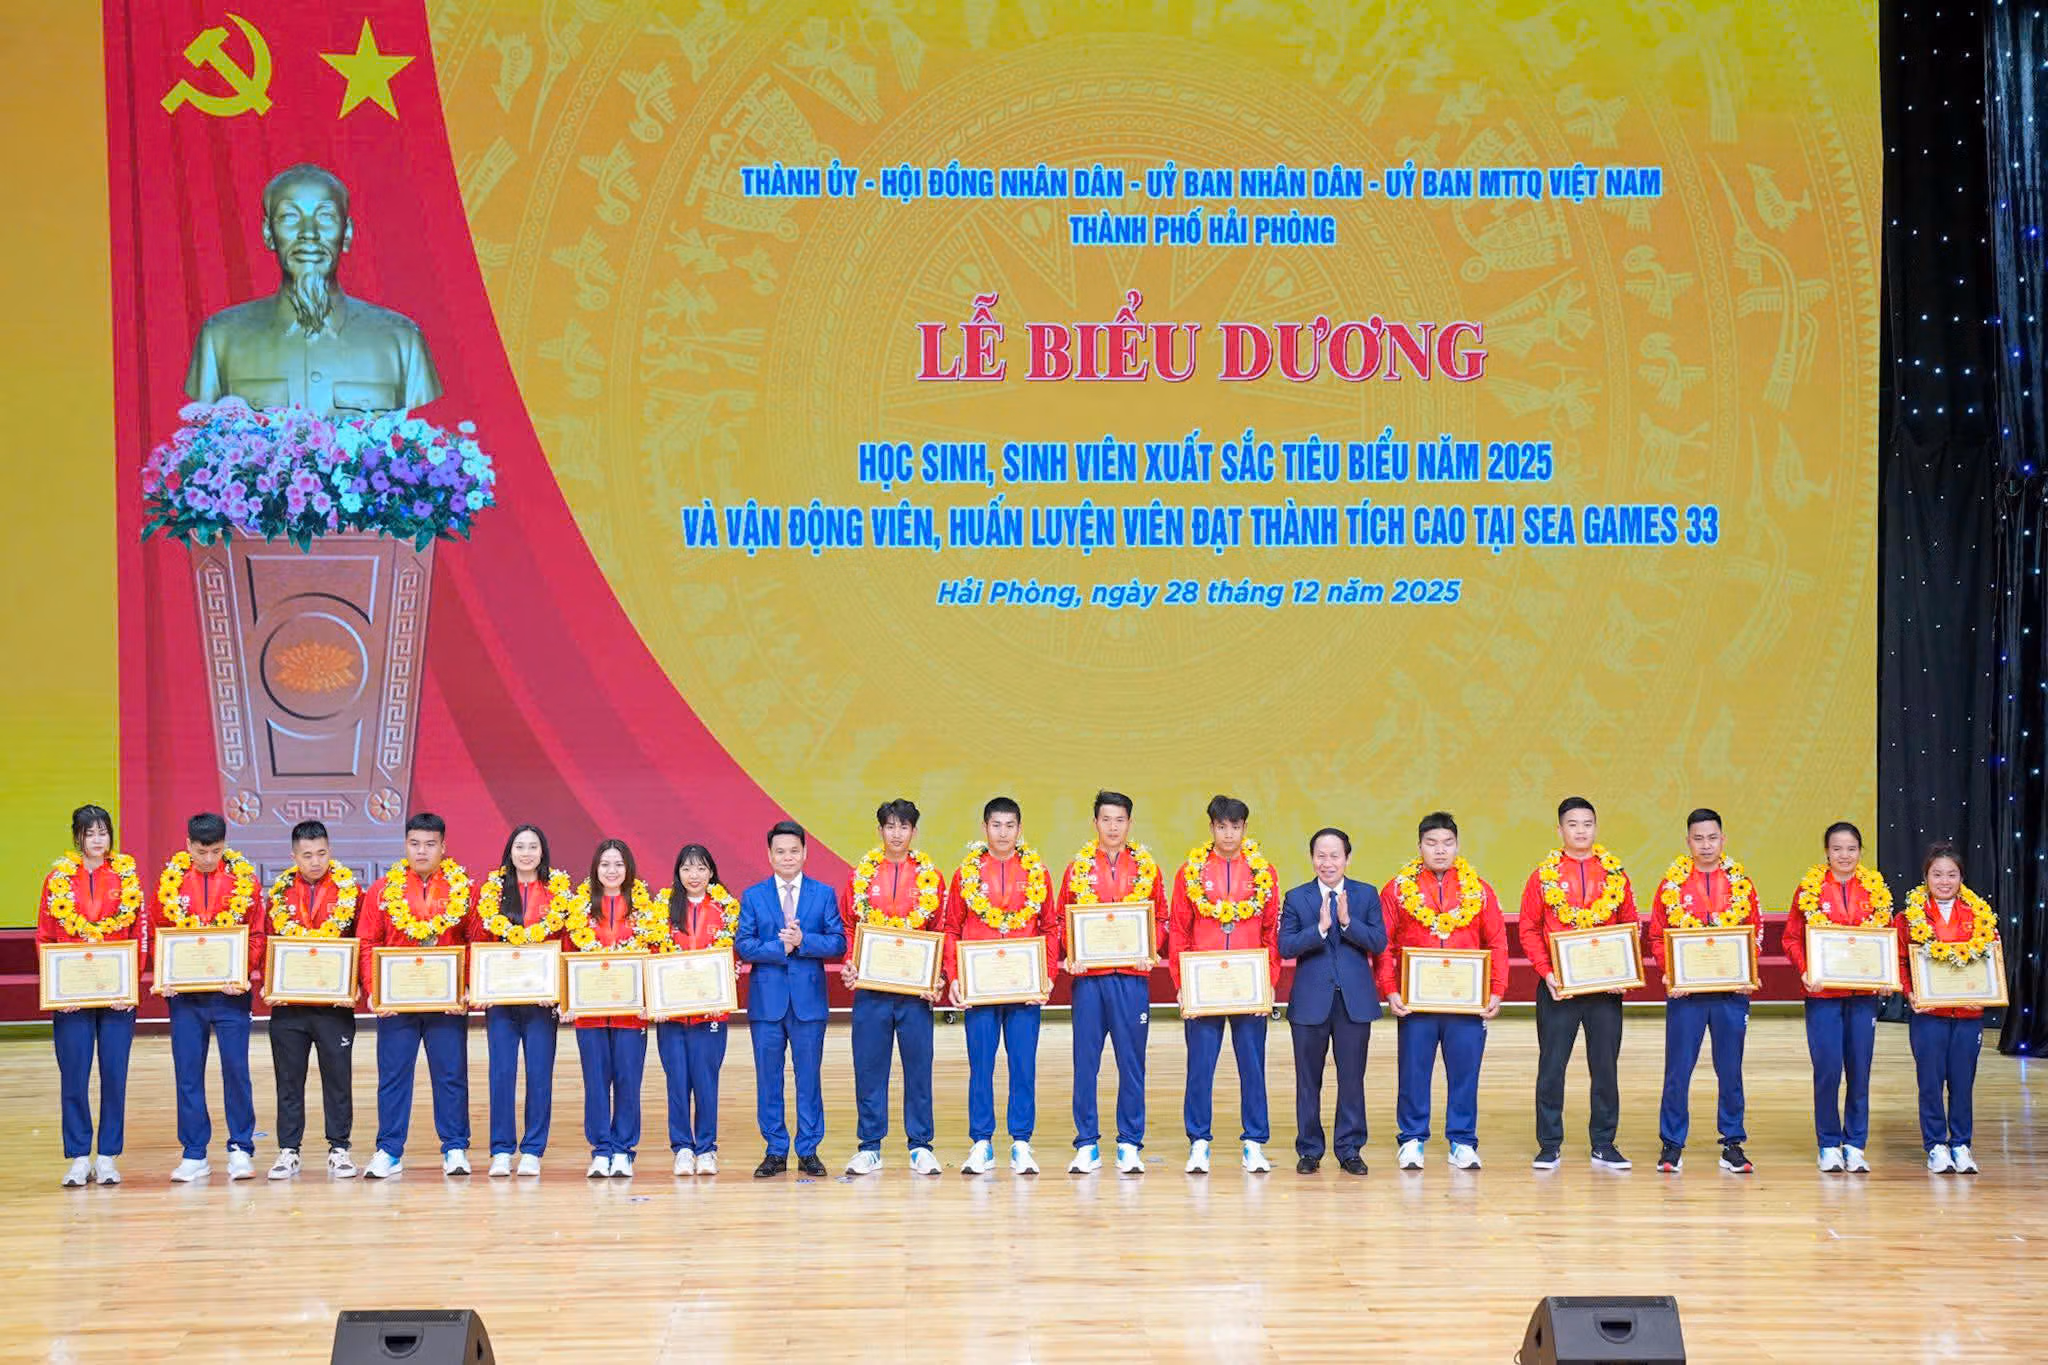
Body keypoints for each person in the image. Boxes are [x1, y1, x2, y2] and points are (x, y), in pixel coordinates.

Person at [1379, 812, 1508, 1171]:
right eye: (1432, 843)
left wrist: (1497, 988)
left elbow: (1497, 942)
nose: (1440, 850)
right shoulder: (1397, 890)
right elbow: (1383, 944)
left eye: (1447, 843)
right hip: (1416, 1002)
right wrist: (1389, 988)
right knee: (1413, 1071)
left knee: (1465, 1072)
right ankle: (1412, 1139)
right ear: (1419, 846)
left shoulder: (1479, 890)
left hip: (1465, 1004)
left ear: (1457, 846)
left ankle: (1462, 1141)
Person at [1519, 796, 1639, 1172]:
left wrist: (1623, 972)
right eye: (1573, 824)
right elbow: (1528, 929)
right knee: (1551, 1067)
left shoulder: (1615, 874)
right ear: (1560, 830)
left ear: (1596, 828)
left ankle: (1603, 1143)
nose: (1581, 831)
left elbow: (1630, 924)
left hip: (1604, 990)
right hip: (1559, 988)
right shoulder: (1543, 877)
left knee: (1605, 1068)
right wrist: (1547, 972)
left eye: (1587, 824)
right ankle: (1549, 1144)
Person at [943, 797, 1061, 1175]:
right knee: (981, 1065)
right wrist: (955, 976)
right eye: (996, 825)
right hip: (981, 988)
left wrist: (1047, 974)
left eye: (1010, 825)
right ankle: (981, 1142)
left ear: (1020, 829)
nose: (1003, 833)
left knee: (1023, 1064)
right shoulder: (966, 874)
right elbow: (951, 928)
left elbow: (1049, 927)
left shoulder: (1037, 873)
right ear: (984, 828)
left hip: (1024, 989)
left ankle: (1021, 1142)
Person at [1168, 794, 1283, 1174]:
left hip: (1249, 986)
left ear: (1245, 828)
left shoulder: (1264, 872)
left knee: (1253, 1066)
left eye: (1235, 826)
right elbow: (1180, 931)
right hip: (1204, 987)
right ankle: (1199, 1142)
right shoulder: (1190, 871)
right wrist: (1182, 982)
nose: (1229, 833)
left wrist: (1269, 981)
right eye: (1221, 826)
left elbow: (1271, 931)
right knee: (1200, 1067)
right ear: (1211, 828)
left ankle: (1254, 1142)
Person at [1054, 790, 1168, 1175]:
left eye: (1120, 820)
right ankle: (1086, 1143)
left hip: (1132, 979)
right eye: (1106, 819)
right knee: (1085, 1064)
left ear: (1130, 824)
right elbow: (1061, 919)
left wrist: (1151, 947)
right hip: (1090, 980)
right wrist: (1071, 951)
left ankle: (1129, 1143)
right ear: (1095, 823)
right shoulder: (1077, 868)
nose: (1113, 827)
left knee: (1132, 1064)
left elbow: (1162, 919)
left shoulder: (1147, 868)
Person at [152, 811, 267, 1182]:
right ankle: (194, 1153)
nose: (208, 859)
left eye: (216, 851)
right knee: (188, 1073)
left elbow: (257, 935)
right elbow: (159, 932)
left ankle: (241, 1148)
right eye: (201, 851)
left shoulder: (244, 881)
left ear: (224, 846)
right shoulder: (170, 882)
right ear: (188, 845)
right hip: (186, 999)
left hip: (230, 996)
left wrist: (242, 970)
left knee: (236, 1071)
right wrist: (165, 974)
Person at [357, 812, 473, 1179]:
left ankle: (455, 1147)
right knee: (393, 1076)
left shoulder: (462, 889)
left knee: (451, 1075)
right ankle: (389, 1150)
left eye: (430, 844)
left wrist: (467, 985)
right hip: (398, 1004)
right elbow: (367, 942)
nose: (421, 851)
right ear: (405, 845)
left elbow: (474, 941)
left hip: (446, 1004)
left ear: (443, 847)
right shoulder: (382, 890)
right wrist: (373, 988)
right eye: (414, 844)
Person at [1645, 809, 1760, 1175]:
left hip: (1731, 994)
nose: (1706, 845)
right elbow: (1657, 937)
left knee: (1731, 1070)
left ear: (1723, 839)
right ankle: (1672, 1142)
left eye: (1712, 838)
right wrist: (1670, 972)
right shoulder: (1672, 885)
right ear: (1688, 842)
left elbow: (1754, 932)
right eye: (1699, 838)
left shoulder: (1741, 883)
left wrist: (1747, 971)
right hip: (1687, 996)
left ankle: (1732, 1143)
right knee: (1678, 1070)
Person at [37, 804, 146, 1187]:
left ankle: (108, 1156)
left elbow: (138, 934)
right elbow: (45, 936)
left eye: (103, 832)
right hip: (73, 998)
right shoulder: (57, 880)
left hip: (116, 998)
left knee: (114, 1075)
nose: (98, 840)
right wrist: (58, 990)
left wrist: (129, 986)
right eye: (90, 833)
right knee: (74, 1077)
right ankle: (79, 1157)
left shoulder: (126, 877)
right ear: (77, 837)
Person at [839, 799, 945, 1176]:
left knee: (919, 1068)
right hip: (872, 991)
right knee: (869, 1068)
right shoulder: (862, 875)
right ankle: (870, 1146)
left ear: (914, 831)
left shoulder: (930, 876)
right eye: (890, 826)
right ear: (880, 830)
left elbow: (939, 930)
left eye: (903, 827)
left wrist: (937, 976)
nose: (896, 834)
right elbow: (849, 925)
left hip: (915, 994)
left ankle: (921, 1146)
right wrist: (851, 961)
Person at [1781, 821, 1893, 1173]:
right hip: (1823, 996)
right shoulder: (1810, 889)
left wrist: (1886, 975)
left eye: (1851, 849)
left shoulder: (1875, 890)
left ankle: (1855, 1144)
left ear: (1860, 851)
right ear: (1826, 852)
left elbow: (1887, 937)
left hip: (1862, 997)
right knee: (1828, 1070)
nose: (1844, 855)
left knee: (1860, 1070)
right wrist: (1804, 970)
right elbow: (1792, 938)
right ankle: (1829, 1143)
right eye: (1837, 849)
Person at [736, 821, 845, 1178]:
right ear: (769, 855)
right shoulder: (753, 896)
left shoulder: (823, 893)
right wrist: (778, 948)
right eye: (780, 851)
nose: (787, 857)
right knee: (769, 1079)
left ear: (805, 853)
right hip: (767, 1003)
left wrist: (803, 941)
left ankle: (808, 1149)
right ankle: (775, 1149)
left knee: (808, 1077)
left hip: (808, 1002)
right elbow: (744, 945)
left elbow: (838, 942)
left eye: (794, 851)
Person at [1278, 827, 1386, 1175]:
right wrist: (1320, 929)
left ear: (1347, 859)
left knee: (1352, 1079)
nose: (1327, 863)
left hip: (1354, 1001)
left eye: (1334, 856)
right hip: (1310, 1002)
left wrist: (1347, 922)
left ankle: (1350, 1149)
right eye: (1321, 856)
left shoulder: (1366, 894)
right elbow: (1285, 946)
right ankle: (1310, 1149)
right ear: (1312, 858)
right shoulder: (1297, 897)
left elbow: (1379, 942)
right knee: (1308, 1081)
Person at [468, 824, 573, 1177]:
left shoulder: (558, 894)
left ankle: (532, 1149)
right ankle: (501, 1149)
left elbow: (567, 946)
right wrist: (479, 986)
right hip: (502, 1001)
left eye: (533, 847)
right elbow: (479, 941)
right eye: (519, 846)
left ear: (543, 852)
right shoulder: (492, 892)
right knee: (501, 1073)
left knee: (539, 1074)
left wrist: (560, 991)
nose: (526, 853)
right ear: (509, 852)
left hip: (541, 1004)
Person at [263, 819, 362, 1180]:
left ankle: (340, 1149)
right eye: (307, 855)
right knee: (289, 1080)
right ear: (294, 856)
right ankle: (289, 1150)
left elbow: (362, 940)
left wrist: (357, 985)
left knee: (338, 1079)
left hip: (334, 1006)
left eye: (321, 853)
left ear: (329, 851)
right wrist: (268, 982)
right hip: (289, 1006)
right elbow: (267, 942)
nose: (315, 861)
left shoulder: (350, 891)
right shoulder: (278, 895)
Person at [566, 839, 661, 1178]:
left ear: (628, 869)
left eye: (618, 864)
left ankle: (623, 1150)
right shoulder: (578, 909)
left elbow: (654, 955)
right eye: (605, 864)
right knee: (595, 1083)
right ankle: (601, 1149)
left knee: (628, 1081)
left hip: (630, 1014)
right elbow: (567, 956)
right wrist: (568, 1000)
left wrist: (651, 1000)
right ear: (595, 868)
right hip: (590, 1015)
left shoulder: (644, 911)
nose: (611, 870)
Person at [1900, 842, 1991, 1174]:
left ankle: (1962, 1144)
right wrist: (1910, 992)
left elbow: (1992, 961)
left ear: (1961, 877)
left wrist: (1985, 993)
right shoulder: (1910, 916)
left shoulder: (1980, 915)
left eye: (1951, 874)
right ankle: (1936, 1145)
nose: (1944, 881)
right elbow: (1900, 961)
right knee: (1930, 1082)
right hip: (1929, 1016)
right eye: (1937, 874)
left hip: (1968, 1014)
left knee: (1963, 1082)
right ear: (1925, 877)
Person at [658, 844, 738, 1176]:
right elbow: (651, 957)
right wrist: (655, 999)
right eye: (687, 868)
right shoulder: (661, 911)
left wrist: (730, 973)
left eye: (701, 868)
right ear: (678, 873)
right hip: (671, 1016)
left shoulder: (726, 909)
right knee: (677, 1081)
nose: (694, 875)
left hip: (710, 1014)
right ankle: (682, 1148)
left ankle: (706, 1148)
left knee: (706, 1081)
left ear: (712, 873)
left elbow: (736, 954)